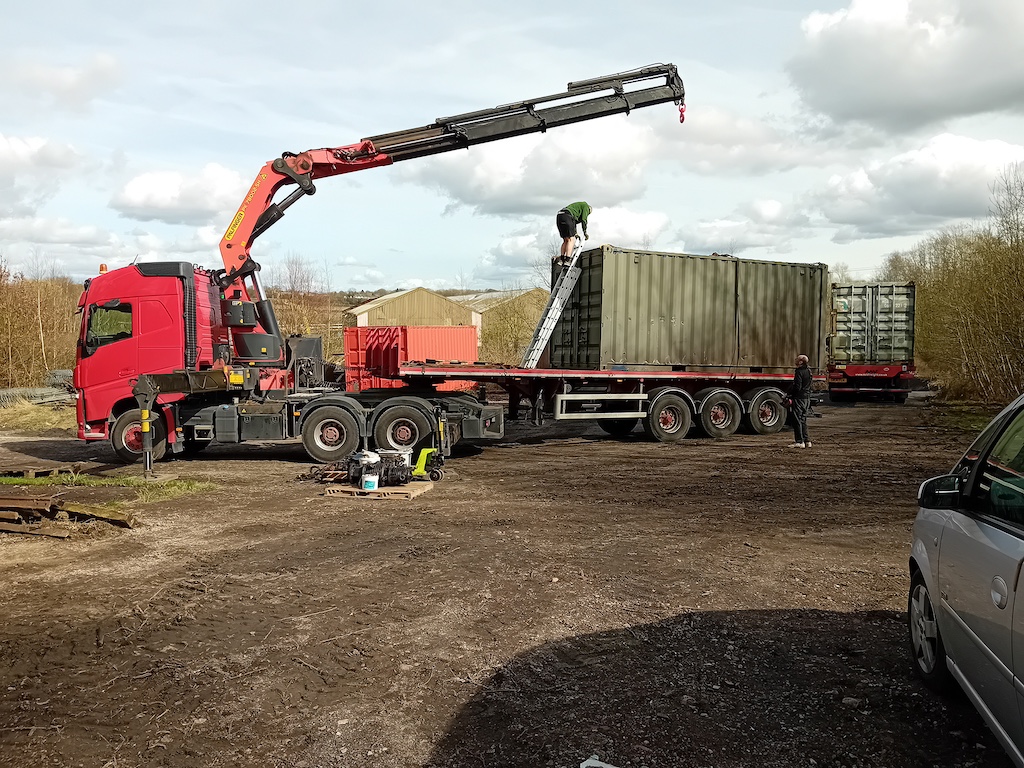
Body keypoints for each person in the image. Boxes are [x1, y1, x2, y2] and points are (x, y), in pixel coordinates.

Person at [787, 353, 812, 448]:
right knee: (803, 419)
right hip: (806, 398)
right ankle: (807, 441)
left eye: (797, 359)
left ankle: (799, 441)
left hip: (799, 398)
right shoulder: (809, 371)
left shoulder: (799, 372)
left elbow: (797, 386)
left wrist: (790, 395)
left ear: (801, 362)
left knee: (796, 419)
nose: (795, 360)